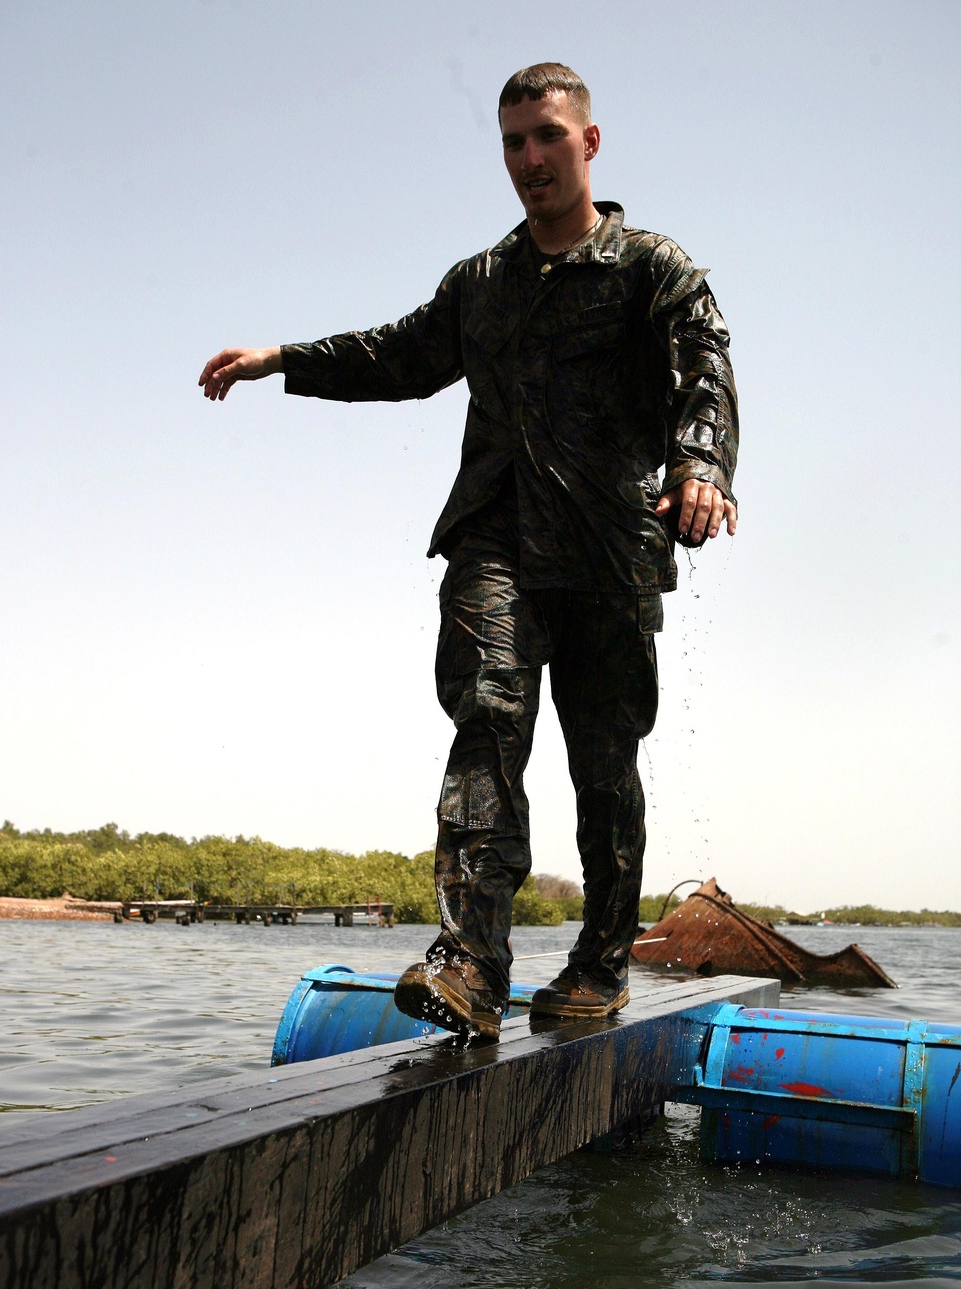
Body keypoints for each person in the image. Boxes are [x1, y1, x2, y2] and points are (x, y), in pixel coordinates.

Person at [199, 62, 738, 1043]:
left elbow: (704, 364)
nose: (529, 159)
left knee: (605, 761)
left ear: (588, 144)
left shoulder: (651, 267)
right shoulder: (480, 284)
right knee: (486, 715)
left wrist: (700, 466)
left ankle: (601, 959)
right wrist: (280, 360)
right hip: (495, 534)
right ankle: (470, 962)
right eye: (512, 143)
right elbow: (395, 356)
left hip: (614, 545)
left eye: (546, 137)